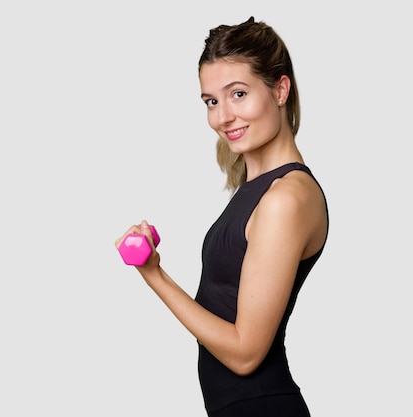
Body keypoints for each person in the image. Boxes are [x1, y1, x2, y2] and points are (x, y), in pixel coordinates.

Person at [115, 16, 329, 417]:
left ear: (280, 89)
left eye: (238, 94)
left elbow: (246, 353)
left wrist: (153, 274)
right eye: (212, 101)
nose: (222, 116)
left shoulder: (287, 198)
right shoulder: (258, 189)